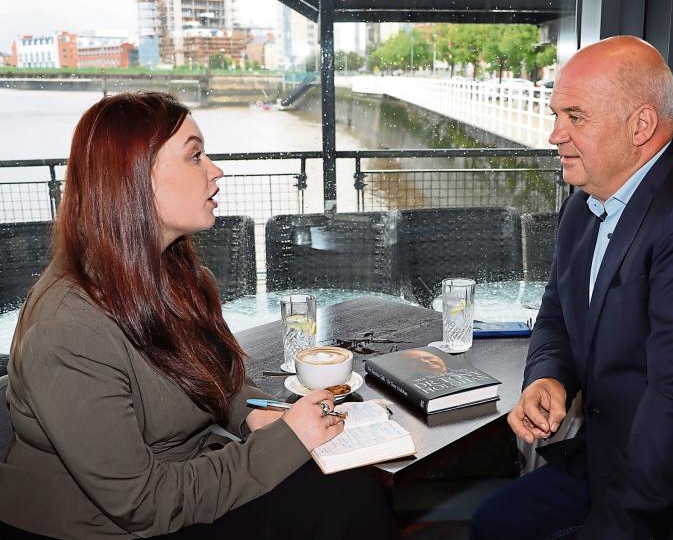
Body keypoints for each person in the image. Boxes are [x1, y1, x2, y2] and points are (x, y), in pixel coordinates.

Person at [0, 92, 399, 540]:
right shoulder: (68, 330)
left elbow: (215, 375)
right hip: (106, 529)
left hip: (181, 483)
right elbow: (142, 503)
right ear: (134, 180)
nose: (216, 170)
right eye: (195, 156)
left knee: (349, 489)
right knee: (345, 501)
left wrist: (250, 414)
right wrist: (288, 439)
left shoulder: (177, 274)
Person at [471, 36, 673, 539]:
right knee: (495, 524)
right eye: (556, 113)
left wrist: (612, 529)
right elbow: (558, 311)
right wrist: (549, 377)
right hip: (613, 454)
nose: (554, 134)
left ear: (641, 125)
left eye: (575, 117)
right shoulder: (584, 203)